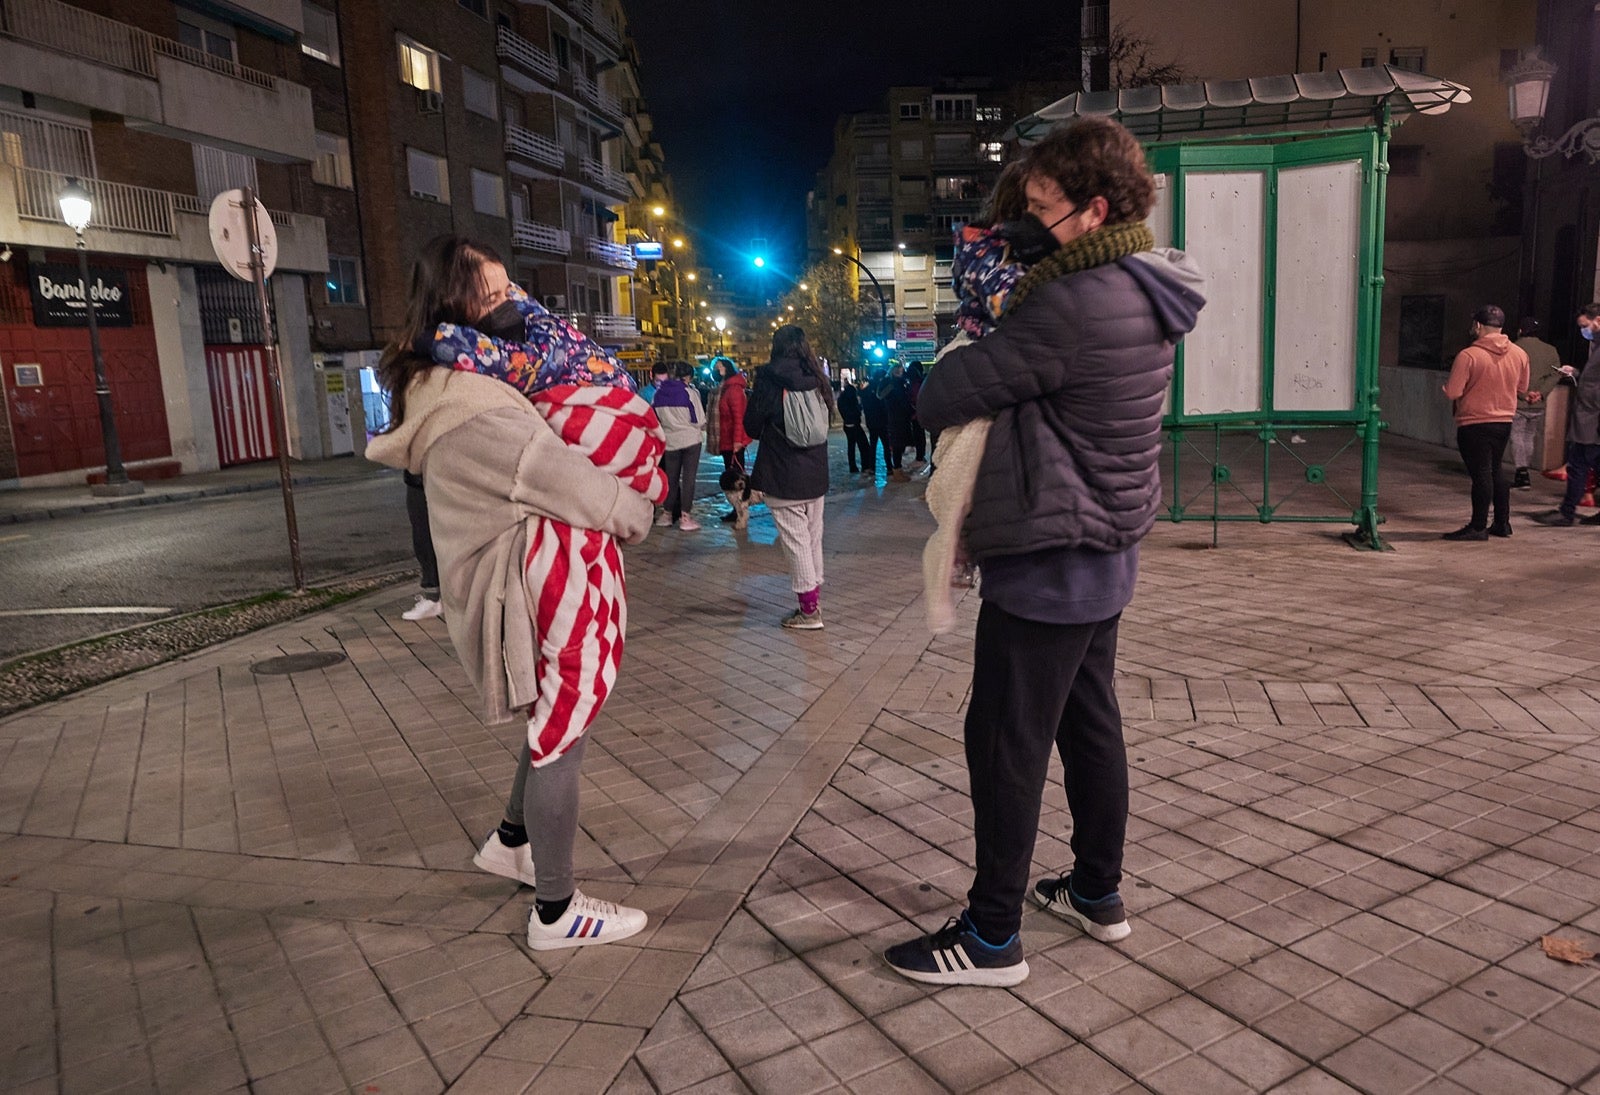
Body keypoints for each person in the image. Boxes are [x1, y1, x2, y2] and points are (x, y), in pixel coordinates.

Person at [883, 118, 1205, 987]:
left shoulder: (1066, 303)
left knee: (1003, 740)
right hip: (1104, 550)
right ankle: (1098, 892)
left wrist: (980, 321)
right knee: (1089, 722)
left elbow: (942, 394)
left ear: (1093, 209)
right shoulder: (1140, 282)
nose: (1027, 224)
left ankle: (992, 936)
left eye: (1041, 209)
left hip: (1051, 556)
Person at [367, 235, 654, 951]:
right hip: (524, 588)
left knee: (555, 721)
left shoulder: (456, 385)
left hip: (510, 583)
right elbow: (562, 477)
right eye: (490, 295)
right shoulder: (471, 404)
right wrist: (638, 511)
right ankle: (556, 911)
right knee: (563, 734)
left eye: (508, 288)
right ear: (451, 305)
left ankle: (512, 840)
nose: (511, 305)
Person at [745, 324, 833, 629]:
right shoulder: (817, 377)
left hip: (782, 474)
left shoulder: (768, 379)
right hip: (816, 474)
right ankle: (813, 601)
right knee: (812, 539)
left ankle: (809, 612)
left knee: (796, 543)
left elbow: (752, 426)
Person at [1440, 305, 1529, 540]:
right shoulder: (1519, 354)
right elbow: (1522, 389)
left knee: (1481, 473)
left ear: (1478, 325)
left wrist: (1447, 389)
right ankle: (1502, 523)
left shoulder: (1468, 355)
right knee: (1496, 470)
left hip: (1474, 422)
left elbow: (1453, 392)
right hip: (1504, 421)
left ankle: (1478, 526)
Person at [1534, 304, 1600, 527]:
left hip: (1592, 423)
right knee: (1590, 466)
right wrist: (1576, 373)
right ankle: (1568, 511)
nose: (1585, 331)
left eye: (1585, 326)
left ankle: (1567, 512)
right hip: (1589, 421)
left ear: (1597, 320)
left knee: (1577, 466)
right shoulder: (1597, 347)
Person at [1512, 317, 1565, 488]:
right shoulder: (1550, 350)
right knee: (1529, 437)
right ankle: (1524, 469)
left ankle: (1521, 473)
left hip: (1517, 403)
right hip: (1538, 405)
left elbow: (1508, 376)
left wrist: (1525, 394)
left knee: (1517, 437)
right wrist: (1540, 394)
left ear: (1520, 330)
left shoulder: (1513, 349)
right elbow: (1556, 374)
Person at [653, 361, 707, 530]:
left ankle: (667, 514)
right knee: (689, 479)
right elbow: (699, 420)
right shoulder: (690, 393)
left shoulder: (658, 394)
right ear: (687, 377)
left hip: (670, 441)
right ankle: (685, 518)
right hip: (690, 440)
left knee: (671, 479)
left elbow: (657, 419)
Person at [712, 358, 752, 523]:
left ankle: (741, 511)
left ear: (727, 368)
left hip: (732, 440)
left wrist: (737, 441)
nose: (716, 370)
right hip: (726, 439)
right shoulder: (724, 388)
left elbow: (738, 418)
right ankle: (736, 510)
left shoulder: (734, 390)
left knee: (737, 478)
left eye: (718, 367)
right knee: (732, 476)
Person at [401, 471, 442, 619]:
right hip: (418, 474)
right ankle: (434, 595)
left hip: (446, 468)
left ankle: (435, 597)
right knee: (421, 529)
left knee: (425, 530)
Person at [879, 363, 914, 482]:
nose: (900, 373)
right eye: (898, 371)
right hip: (895, 418)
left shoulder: (901, 383)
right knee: (897, 444)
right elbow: (885, 396)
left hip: (901, 418)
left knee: (900, 443)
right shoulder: (890, 383)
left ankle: (898, 469)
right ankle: (897, 471)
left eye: (901, 371)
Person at [838, 375, 870, 474]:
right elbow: (856, 411)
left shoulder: (841, 399)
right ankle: (865, 466)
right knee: (863, 445)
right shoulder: (851, 400)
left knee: (851, 446)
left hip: (847, 425)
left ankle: (853, 467)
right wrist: (859, 408)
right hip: (854, 424)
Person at [860, 373, 888, 477]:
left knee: (873, 445)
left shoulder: (867, 389)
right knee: (886, 445)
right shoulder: (880, 390)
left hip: (871, 422)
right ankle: (889, 467)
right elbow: (883, 406)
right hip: (881, 421)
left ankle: (872, 467)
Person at [907, 362, 928, 465]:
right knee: (920, 434)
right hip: (920, 412)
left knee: (918, 434)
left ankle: (920, 455)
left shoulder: (912, 384)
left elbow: (914, 398)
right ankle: (920, 455)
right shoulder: (922, 382)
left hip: (915, 413)